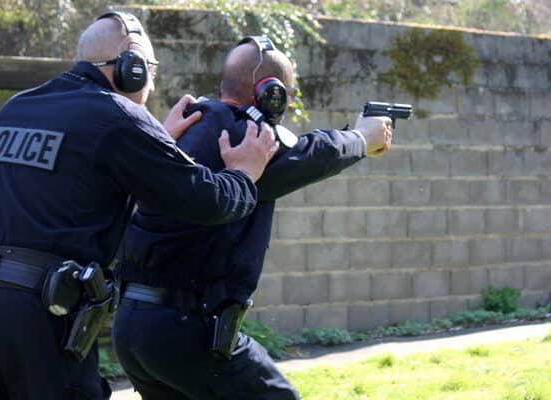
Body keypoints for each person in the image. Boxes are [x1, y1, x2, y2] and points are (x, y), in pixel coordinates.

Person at [0, 11, 278, 400]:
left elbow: (78, 181)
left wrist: (157, 142)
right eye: (150, 69)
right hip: (37, 314)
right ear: (131, 67)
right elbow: (207, 202)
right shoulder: (118, 116)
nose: (151, 83)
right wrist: (245, 172)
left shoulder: (16, 107)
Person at [112, 35, 393, 400]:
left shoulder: (187, 129)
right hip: (186, 326)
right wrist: (360, 137)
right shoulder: (243, 138)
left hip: (133, 325)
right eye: (286, 94)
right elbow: (309, 156)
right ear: (269, 92)